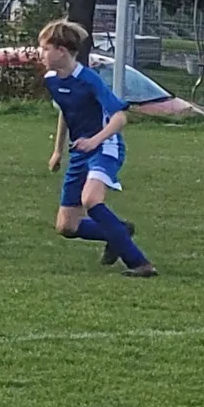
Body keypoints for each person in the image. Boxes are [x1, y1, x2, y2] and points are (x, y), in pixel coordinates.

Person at [39, 19, 156, 276]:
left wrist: (95, 140)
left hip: (105, 146)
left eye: (46, 48)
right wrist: (58, 150)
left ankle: (140, 263)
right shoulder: (52, 80)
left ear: (62, 51)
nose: (41, 54)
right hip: (80, 152)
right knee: (67, 226)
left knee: (91, 200)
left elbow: (120, 118)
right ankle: (119, 231)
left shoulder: (89, 80)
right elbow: (66, 111)